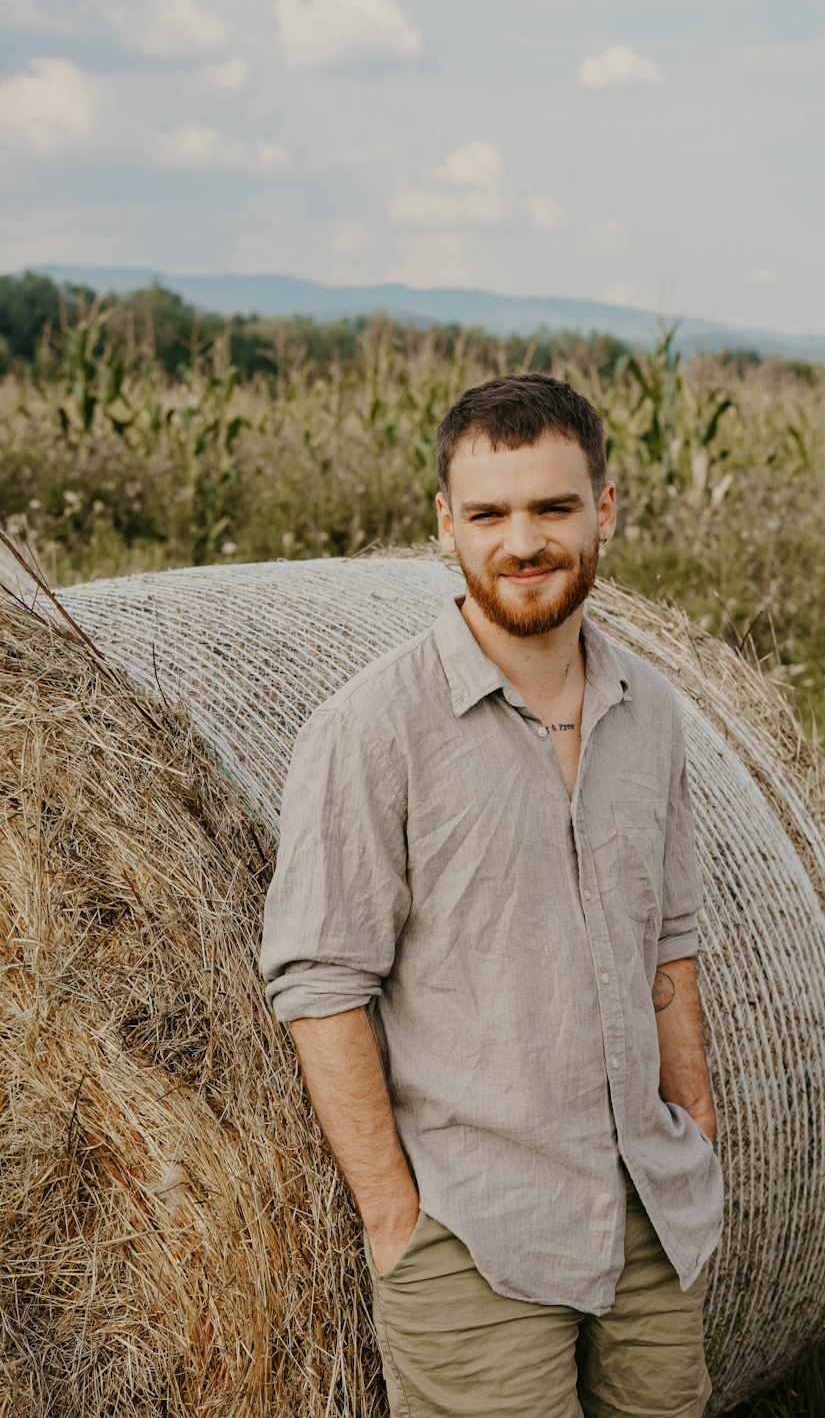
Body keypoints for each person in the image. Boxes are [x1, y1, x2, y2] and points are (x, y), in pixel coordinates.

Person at [259, 371, 724, 1418]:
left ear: (604, 509)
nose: (523, 541)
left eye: (553, 507)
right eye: (489, 514)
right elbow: (318, 983)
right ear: (447, 525)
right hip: (475, 1233)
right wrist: (394, 1218)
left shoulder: (648, 710)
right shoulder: (372, 729)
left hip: (652, 1215)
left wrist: (692, 1122)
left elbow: (671, 939)